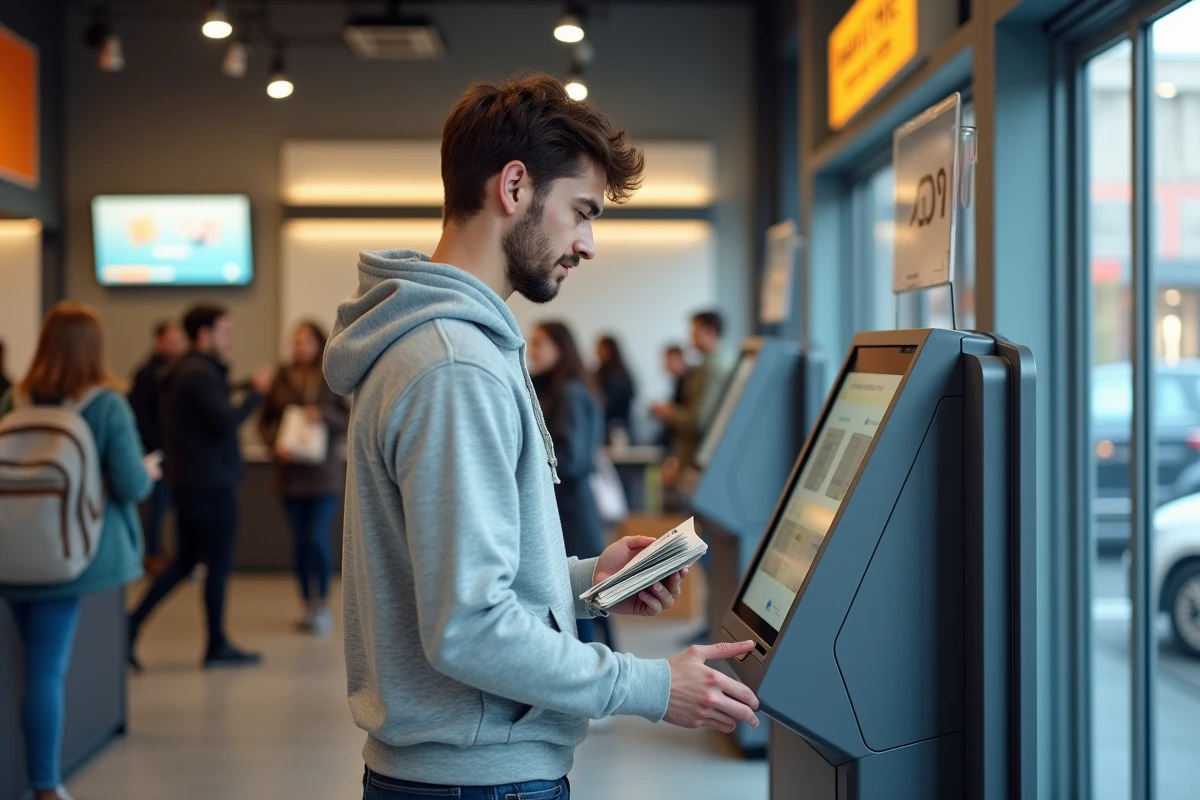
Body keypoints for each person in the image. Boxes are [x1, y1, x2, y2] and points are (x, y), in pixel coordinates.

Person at [322, 74, 760, 800]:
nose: (587, 244)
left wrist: (591, 580)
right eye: (581, 212)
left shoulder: (444, 347)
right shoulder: (453, 365)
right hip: (480, 781)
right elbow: (468, 628)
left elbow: (456, 580)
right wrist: (650, 685)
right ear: (516, 186)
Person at [0, 302, 160, 800]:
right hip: (69, 556)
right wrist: (147, 472)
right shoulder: (107, 404)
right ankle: (46, 785)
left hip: (11, 549)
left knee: (26, 664)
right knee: (45, 670)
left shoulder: (15, 399)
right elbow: (133, 485)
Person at [127, 304, 273, 669]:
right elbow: (223, 421)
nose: (230, 338)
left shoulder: (186, 371)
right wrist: (256, 393)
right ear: (204, 334)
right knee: (216, 564)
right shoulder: (197, 374)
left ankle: (131, 624)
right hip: (209, 485)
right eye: (224, 330)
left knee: (184, 561)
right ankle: (216, 644)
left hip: (190, 482)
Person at [258, 320, 349, 636]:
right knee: (298, 541)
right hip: (290, 474)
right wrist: (274, 446)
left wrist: (322, 415)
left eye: (307, 341)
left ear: (319, 343)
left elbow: (348, 418)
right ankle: (304, 603)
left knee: (315, 536)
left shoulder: (330, 375)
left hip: (323, 475)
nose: (301, 347)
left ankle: (321, 602)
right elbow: (264, 421)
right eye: (296, 341)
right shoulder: (281, 376)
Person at [530, 321, 615, 651]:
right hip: (572, 507)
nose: (532, 350)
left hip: (570, 511)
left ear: (560, 348)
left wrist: (525, 466)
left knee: (577, 609)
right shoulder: (565, 388)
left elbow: (572, 458)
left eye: (539, 343)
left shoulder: (568, 392)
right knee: (584, 606)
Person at [128, 320, 186, 573]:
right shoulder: (146, 374)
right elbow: (140, 415)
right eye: (170, 340)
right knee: (157, 510)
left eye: (178, 340)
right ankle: (152, 555)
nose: (176, 345)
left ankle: (178, 557)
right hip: (157, 453)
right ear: (158, 341)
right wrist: (156, 448)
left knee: (177, 509)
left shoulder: (181, 370)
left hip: (176, 454)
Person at [651, 310, 733, 488]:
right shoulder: (707, 364)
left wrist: (668, 412)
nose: (690, 338)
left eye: (694, 332)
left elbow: (698, 420)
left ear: (709, 331)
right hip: (694, 459)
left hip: (700, 461)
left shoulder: (714, 367)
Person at [594, 334, 635, 443]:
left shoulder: (617, 376)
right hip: (605, 426)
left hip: (616, 428)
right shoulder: (600, 373)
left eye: (600, 349)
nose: (597, 352)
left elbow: (607, 402)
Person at [657, 344, 690, 450]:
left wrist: (667, 412)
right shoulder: (678, 381)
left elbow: (687, 414)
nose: (666, 365)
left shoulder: (688, 381)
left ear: (679, 359)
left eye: (669, 361)